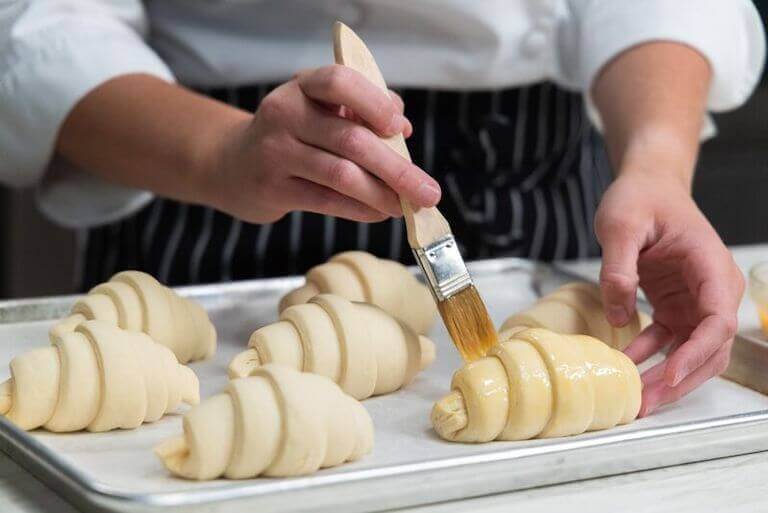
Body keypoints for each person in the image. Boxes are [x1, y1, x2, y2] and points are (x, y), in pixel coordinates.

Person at [0, 1, 764, 415]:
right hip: (198, 159)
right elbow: (46, 25)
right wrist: (223, 157)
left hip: (533, 164)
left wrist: (659, 163)